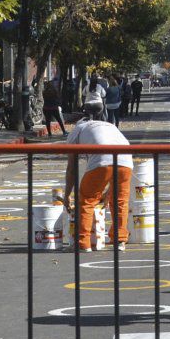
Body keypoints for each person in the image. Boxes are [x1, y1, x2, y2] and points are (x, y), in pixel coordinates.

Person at [63, 108, 132, 252]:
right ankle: (119, 240)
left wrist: (67, 194)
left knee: (87, 199)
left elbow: (71, 168)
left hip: (102, 159)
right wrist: (108, 192)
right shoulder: (109, 126)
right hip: (126, 160)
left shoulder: (77, 130)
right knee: (120, 201)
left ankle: (82, 243)